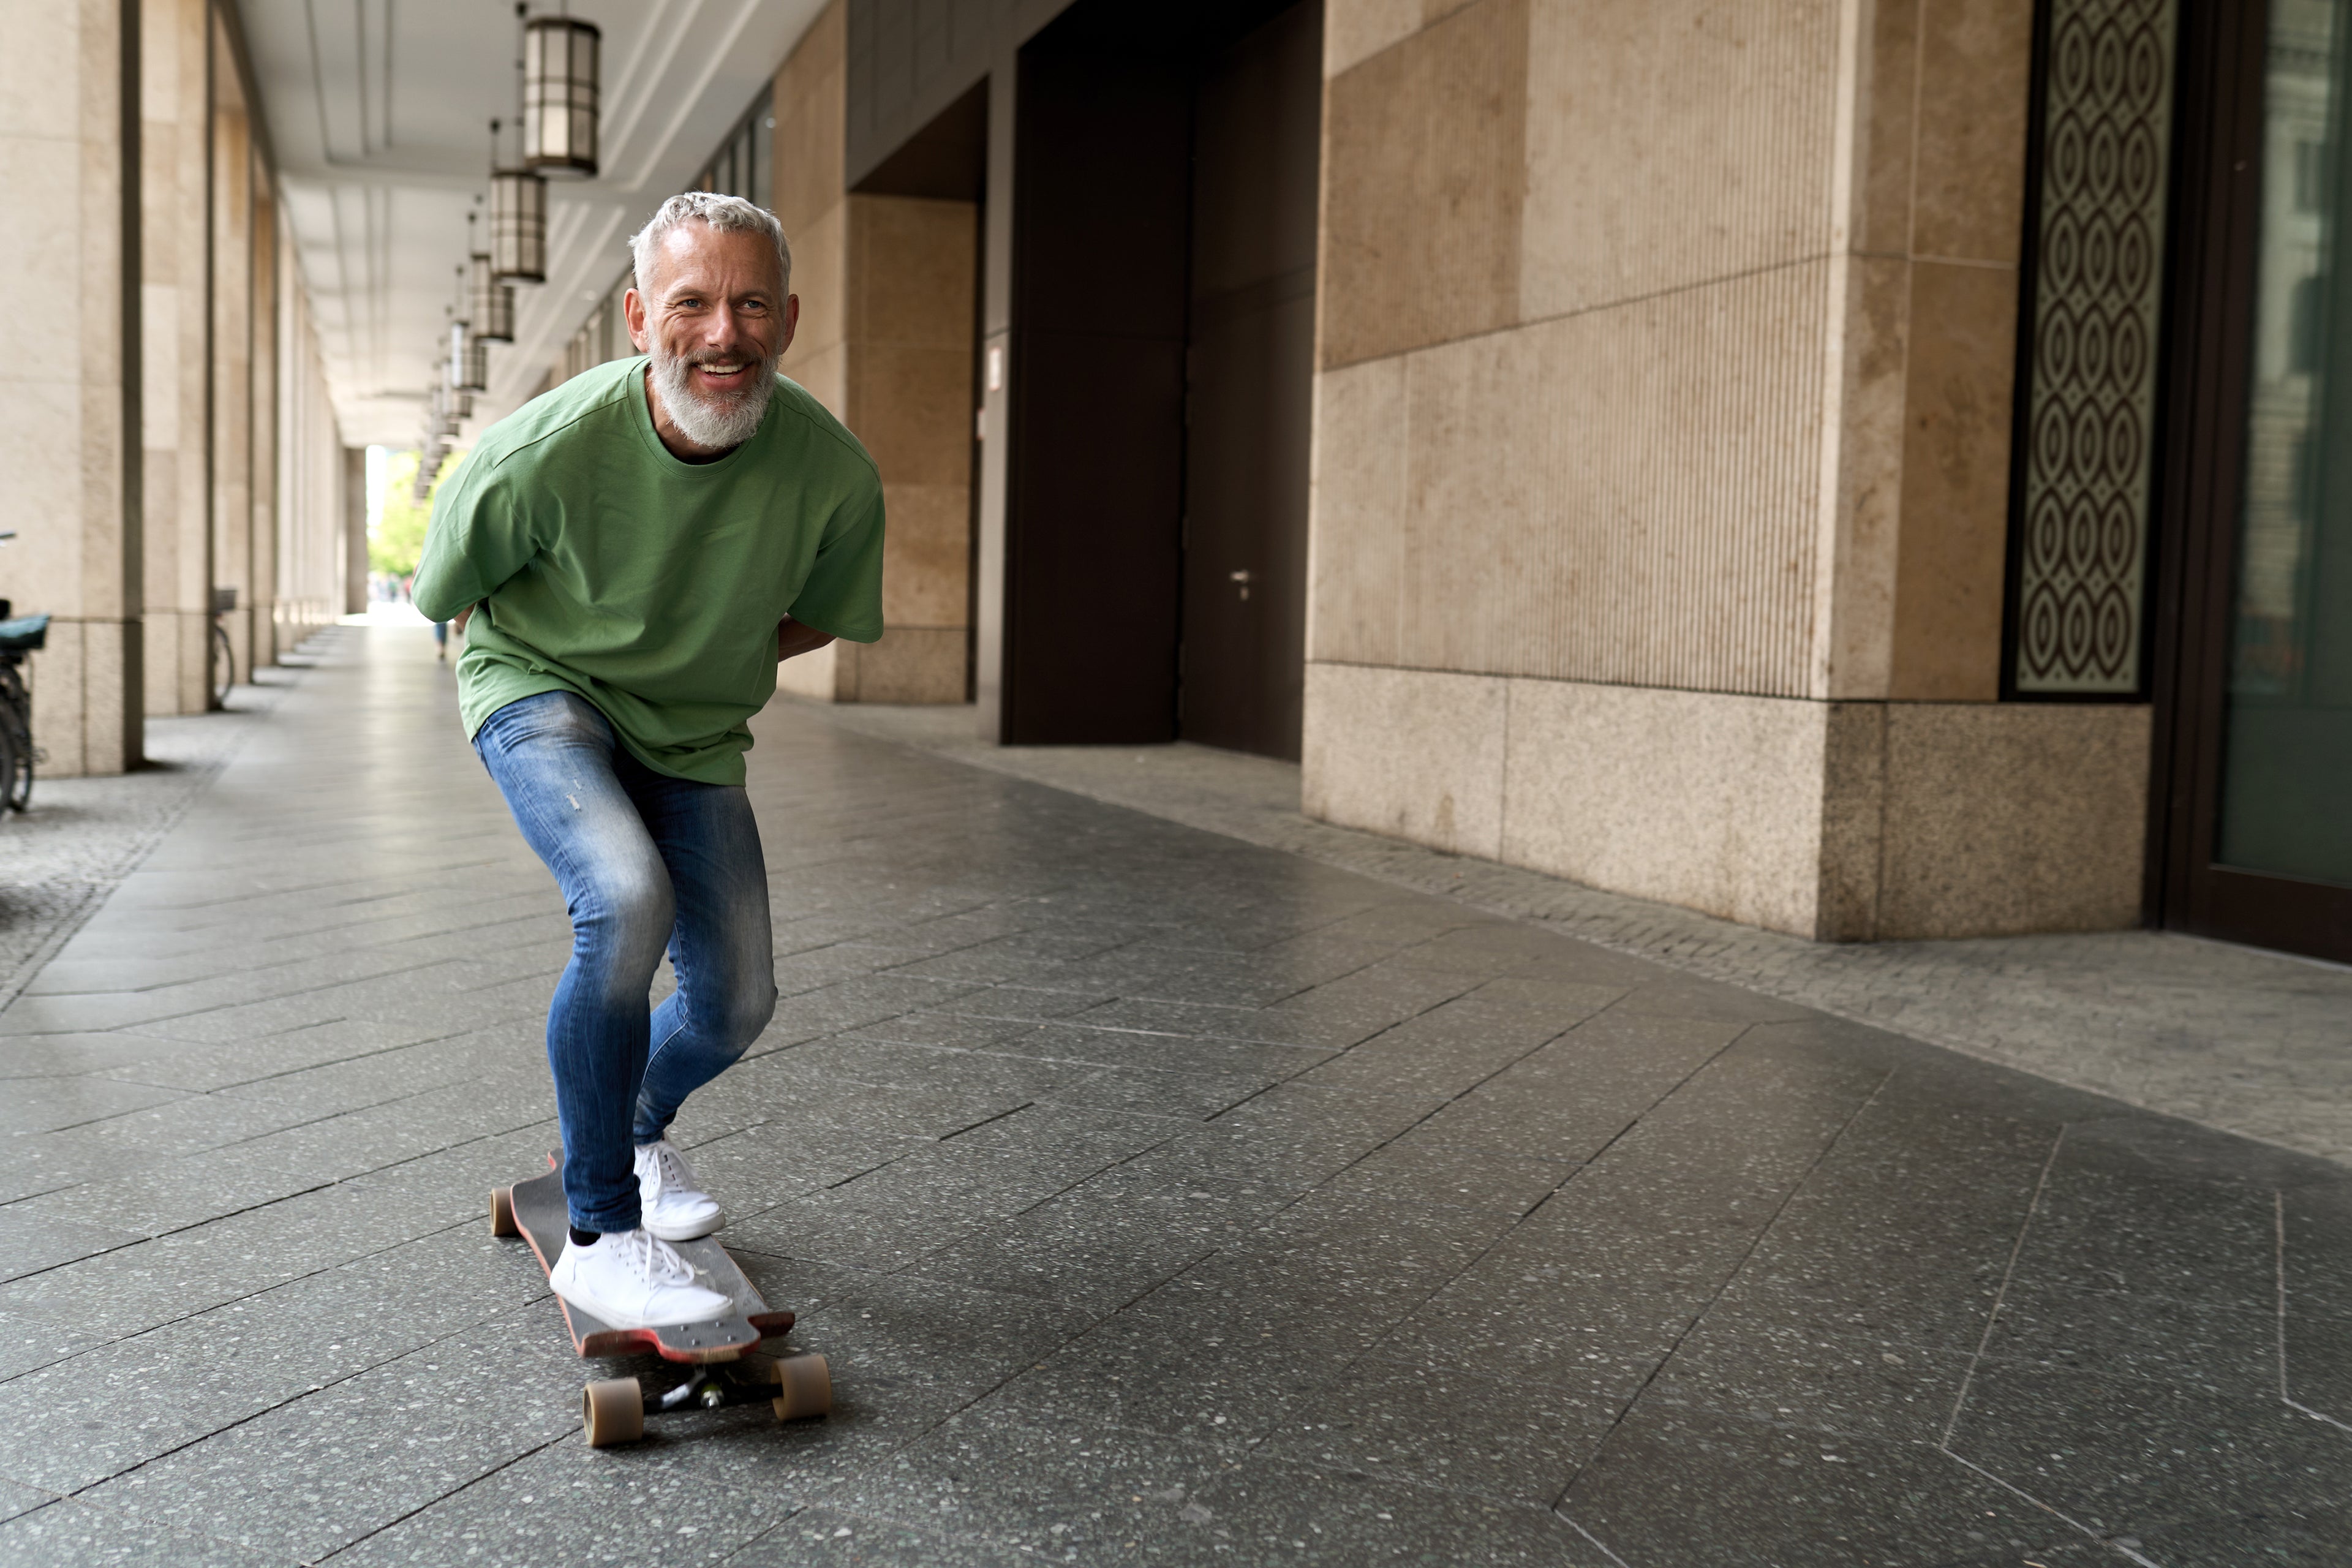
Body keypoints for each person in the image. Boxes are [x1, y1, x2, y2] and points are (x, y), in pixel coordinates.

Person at [412, 192, 884, 1330]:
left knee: (736, 1001)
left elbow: (816, 617)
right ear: (638, 317)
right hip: (542, 691)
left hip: (694, 728)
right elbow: (449, 602)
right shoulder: (539, 452)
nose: (723, 332)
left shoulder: (832, 473)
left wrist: (696, 657)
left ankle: (633, 1126)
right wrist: (559, 680)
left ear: (789, 319)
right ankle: (599, 1232)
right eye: (691, 303)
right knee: (624, 899)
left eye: (751, 305)